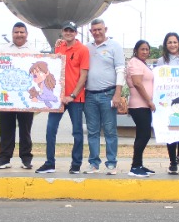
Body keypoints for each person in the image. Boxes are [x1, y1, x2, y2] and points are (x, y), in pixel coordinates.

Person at [37, 22, 89, 173]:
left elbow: (83, 75)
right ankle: (49, 163)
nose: (68, 33)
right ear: (62, 32)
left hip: (75, 98)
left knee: (77, 132)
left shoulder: (83, 50)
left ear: (76, 33)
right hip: (58, 98)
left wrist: (72, 95)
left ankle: (76, 164)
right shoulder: (59, 47)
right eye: (66, 30)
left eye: (71, 31)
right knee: (50, 129)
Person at [84, 18, 125, 174]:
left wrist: (118, 93)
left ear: (105, 29)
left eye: (99, 29)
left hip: (108, 94)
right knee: (92, 131)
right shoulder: (87, 48)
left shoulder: (115, 46)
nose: (97, 32)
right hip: (90, 95)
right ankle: (94, 163)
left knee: (110, 130)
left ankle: (111, 163)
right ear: (90, 32)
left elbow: (120, 69)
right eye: (94, 30)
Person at [0, 22, 35, 169]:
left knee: (25, 129)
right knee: (6, 128)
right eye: (16, 32)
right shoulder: (3, 50)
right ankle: (5, 159)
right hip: (7, 97)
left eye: (21, 32)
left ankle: (26, 159)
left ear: (26, 34)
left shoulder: (33, 50)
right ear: (12, 34)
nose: (19, 35)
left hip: (25, 98)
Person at [158, 32, 179, 174]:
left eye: (175, 42)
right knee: (171, 131)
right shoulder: (162, 61)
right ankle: (172, 161)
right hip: (168, 100)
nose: (172, 45)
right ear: (166, 45)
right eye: (169, 42)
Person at [126, 39, 156, 176]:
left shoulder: (142, 64)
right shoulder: (134, 63)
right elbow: (137, 83)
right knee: (143, 135)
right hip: (139, 105)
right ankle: (135, 167)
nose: (145, 52)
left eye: (147, 49)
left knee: (142, 135)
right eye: (142, 49)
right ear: (136, 50)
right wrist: (149, 101)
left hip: (144, 105)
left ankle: (138, 164)